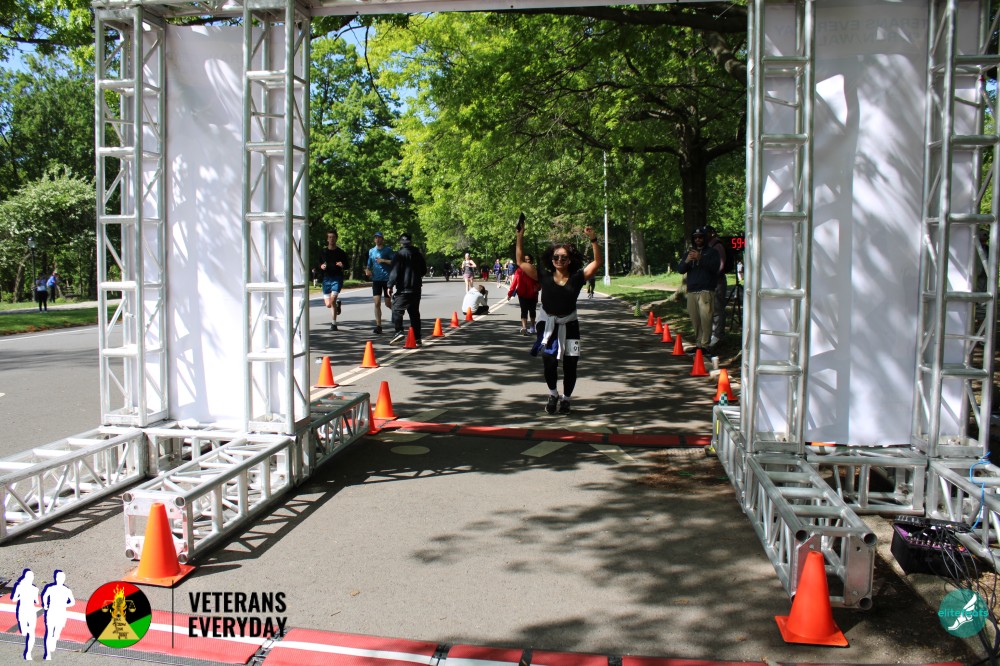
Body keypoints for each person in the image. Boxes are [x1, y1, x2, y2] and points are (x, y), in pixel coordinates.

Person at [515, 217, 602, 415]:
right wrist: (520, 236)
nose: (559, 260)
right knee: (549, 360)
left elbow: (597, 262)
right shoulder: (543, 275)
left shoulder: (577, 277)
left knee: (571, 364)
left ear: (569, 260)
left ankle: (566, 399)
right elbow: (520, 261)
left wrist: (593, 240)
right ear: (551, 259)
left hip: (571, 326)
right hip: (547, 324)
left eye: (564, 257)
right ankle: (553, 394)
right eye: (556, 257)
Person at [677, 226, 721, 353]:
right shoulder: (689, 253)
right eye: (695, 238)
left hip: (706, 291)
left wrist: (700, 258)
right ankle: (698, 344)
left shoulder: (712, 252)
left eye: (700, 237)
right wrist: (687, 260)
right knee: (695, 320)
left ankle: (705, 345)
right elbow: (680, 270)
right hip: (692, 291)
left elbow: (715, 268)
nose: (698, 239)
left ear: (705, 238)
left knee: (706, 319)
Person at [387, 232, 427, 346]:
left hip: (403, 288)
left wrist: (390, 285)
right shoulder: (418, 254)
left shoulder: (399, 255)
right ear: (411, 242)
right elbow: (424, 270)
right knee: (414, 313)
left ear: (401, 243)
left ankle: (399, 331)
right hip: (416, 288)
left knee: (397, 310)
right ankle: (417, 338)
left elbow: (394, 272)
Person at [317, 230, 349, 331]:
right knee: (328, 304)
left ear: (336, 238)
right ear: (327, 239)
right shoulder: (323, 252)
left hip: (337, 278)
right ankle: (337, 305)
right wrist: (321, 266)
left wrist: (342, 265)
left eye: (333, 237)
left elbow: (347, 265)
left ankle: (334, 324)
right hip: (326, 279)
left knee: (333, 300)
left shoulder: (341, 252)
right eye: (330, 237)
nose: (331, 239)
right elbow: (317, 264)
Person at [365, 231, 394, 335]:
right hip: (376, 280)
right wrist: (367, 270)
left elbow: (394, 262)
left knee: (387, 303)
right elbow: (369, 264)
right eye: (376, 238)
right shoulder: (371, 251)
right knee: (377, 303)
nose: (377, 239)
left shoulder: (388, 250)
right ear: (374, 240)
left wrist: (383, 260)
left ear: (382, 239)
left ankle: (396, 312)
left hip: (387, 279)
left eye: (379, 237)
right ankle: (379, 326)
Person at [41, 570, 74, 661]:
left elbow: (72, 602)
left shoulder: (65, 590)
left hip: (58, 612)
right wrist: (45, 605)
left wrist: (64, 605)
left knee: (55, 633)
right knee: (50, 632)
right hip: (54, 612)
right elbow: (45, 596)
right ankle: (47, 653)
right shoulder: (54, 589)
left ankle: (53, 642)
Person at [507, 254, 540, 335]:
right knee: (524, 311)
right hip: (522, 294)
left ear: (531, 261)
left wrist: (538, 287)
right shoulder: (519, 271)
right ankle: (524, 328)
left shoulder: (534, 270)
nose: (526, 261)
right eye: (525, 259)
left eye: (528, 259)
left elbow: (539, 282)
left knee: (532, 311)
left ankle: (532, 326)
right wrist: (510, 293)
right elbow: (514, 283)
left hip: (532, 294)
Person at [706, 226, 727, 346]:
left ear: (712, 233)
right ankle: (711, 334)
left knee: (717, 308)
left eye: (707, 233)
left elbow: (721, 265)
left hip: (717, 281)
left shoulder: (717, 246)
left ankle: (718, 335)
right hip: (709, 282)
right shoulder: (708, 246)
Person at [11, 568, 39, 660]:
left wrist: (21, 596)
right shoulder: (35, 589)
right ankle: (28, 652)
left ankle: (27, 652)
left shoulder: (19, 587)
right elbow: (37, 602)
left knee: (25, 632)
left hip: (22, 610)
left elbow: (14, 599)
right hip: (30, 610)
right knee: (30, 633)